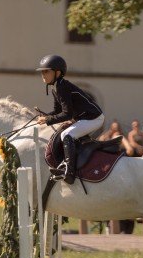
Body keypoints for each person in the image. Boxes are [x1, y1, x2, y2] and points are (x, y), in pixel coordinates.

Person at [36, 54, 104, 184]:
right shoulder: (55, 86)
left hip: (93, 118)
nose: (43, 75)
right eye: (42, 72)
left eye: (46, 71)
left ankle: (69, 172)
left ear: (57, 72)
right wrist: (46, 117)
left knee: (66, 134)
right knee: (65, 133)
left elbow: (67, 114)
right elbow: (58, 111)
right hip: (83, 118)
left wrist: (48, 120)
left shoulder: (62, 87)